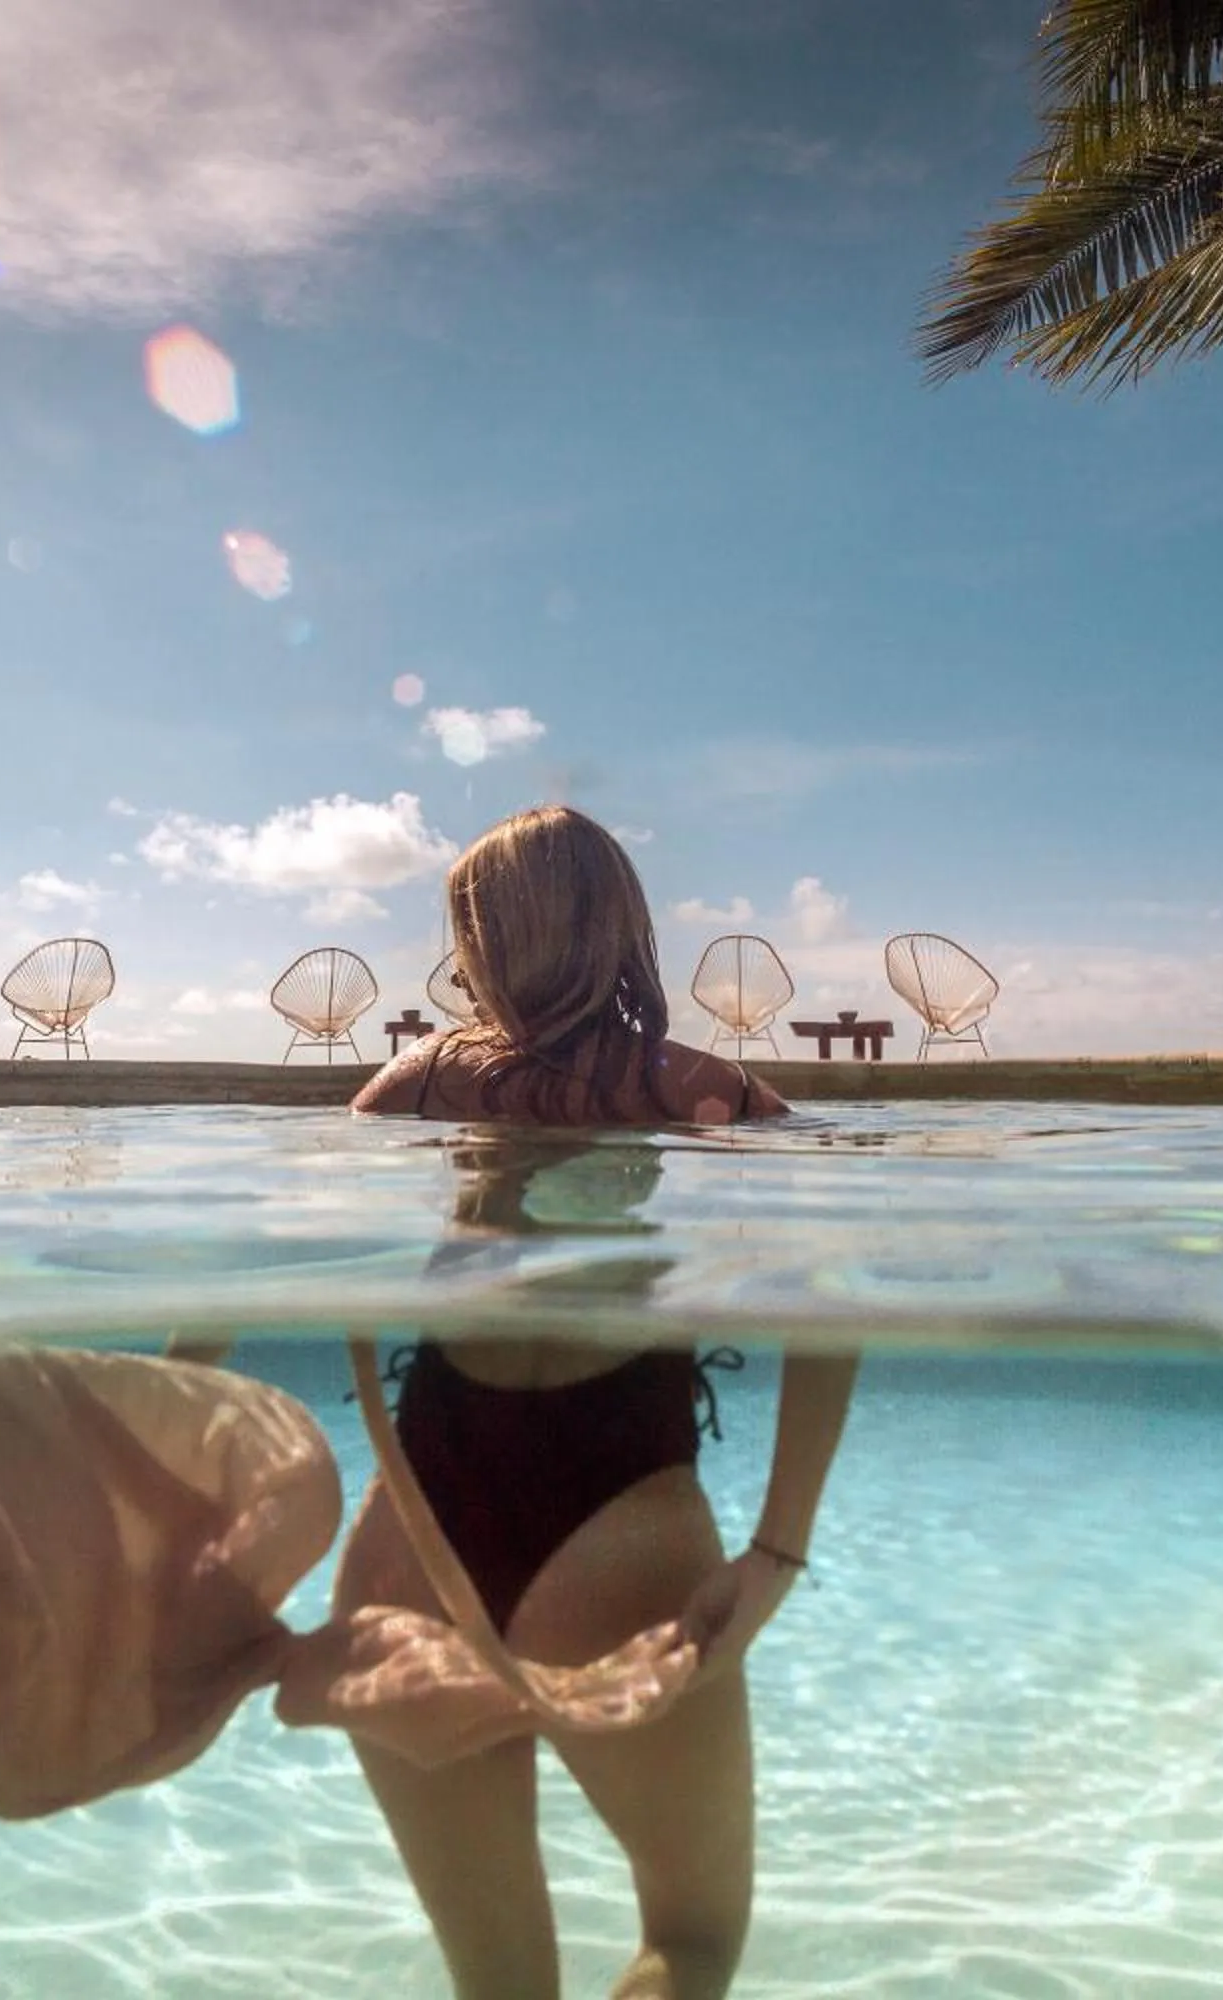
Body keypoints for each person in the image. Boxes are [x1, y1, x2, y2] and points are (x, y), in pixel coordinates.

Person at [341, 805, 856, 2000]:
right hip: (616, 1527)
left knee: (498, 1984)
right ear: (623, 922)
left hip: (413, 1530)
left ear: (474, 942)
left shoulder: (413, 1085)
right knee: (692, 1938)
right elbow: (840, 1275)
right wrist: (776, 1549)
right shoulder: (697, 1089)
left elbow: (263, 1247)